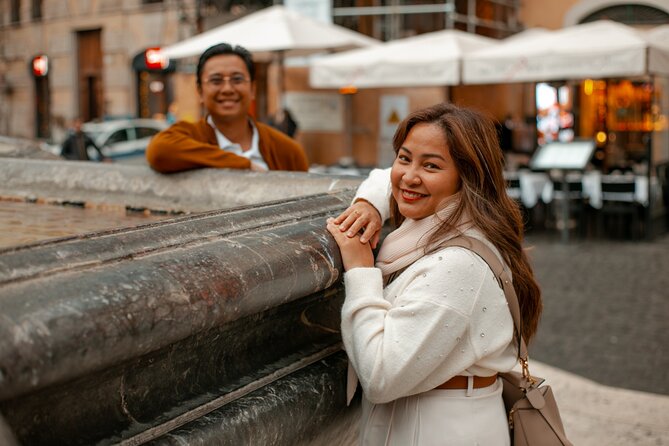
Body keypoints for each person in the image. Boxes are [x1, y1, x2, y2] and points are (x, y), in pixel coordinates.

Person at [326, 103, 542, 445]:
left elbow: (381, 375)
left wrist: (360, 270)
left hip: (438, 427)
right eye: (404, 157)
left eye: (431, 165)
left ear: (468, 176)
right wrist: (369, 204)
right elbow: (387, 177)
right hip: (432, 417)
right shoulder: (450, 225)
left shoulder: (456, 265)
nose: (410, 175)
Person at [145, 43, 308, 173]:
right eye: (216, 81)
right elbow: (159, 151)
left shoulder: (287, 150)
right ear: (200, 91)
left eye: (237, 79)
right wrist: (243, 165)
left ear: (252, 89)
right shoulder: (190, 135)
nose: (227, 89)